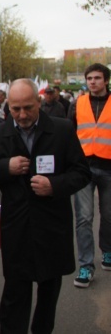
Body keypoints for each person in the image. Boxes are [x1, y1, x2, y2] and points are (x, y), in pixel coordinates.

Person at [0, 79, 90, 334]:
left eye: (28, 108)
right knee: (15, 291)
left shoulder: (62, 129)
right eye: (16, 109)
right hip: (18, 227)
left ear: (39, 102)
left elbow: (82, 172)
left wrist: (54, 185)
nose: (22, 115)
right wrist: (6, 167)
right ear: (8, 108)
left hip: (52, 226)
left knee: (49, 291)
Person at [68, 63, 111, 287]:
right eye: (89, 78)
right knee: (84, 218)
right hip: (83, 169)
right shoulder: (77, 104)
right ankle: (86, 266)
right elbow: (68, 135)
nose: (92, 82)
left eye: (97, 78)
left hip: (109, 168)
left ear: (106, 80)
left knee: (109, 214)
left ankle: (108, 250)